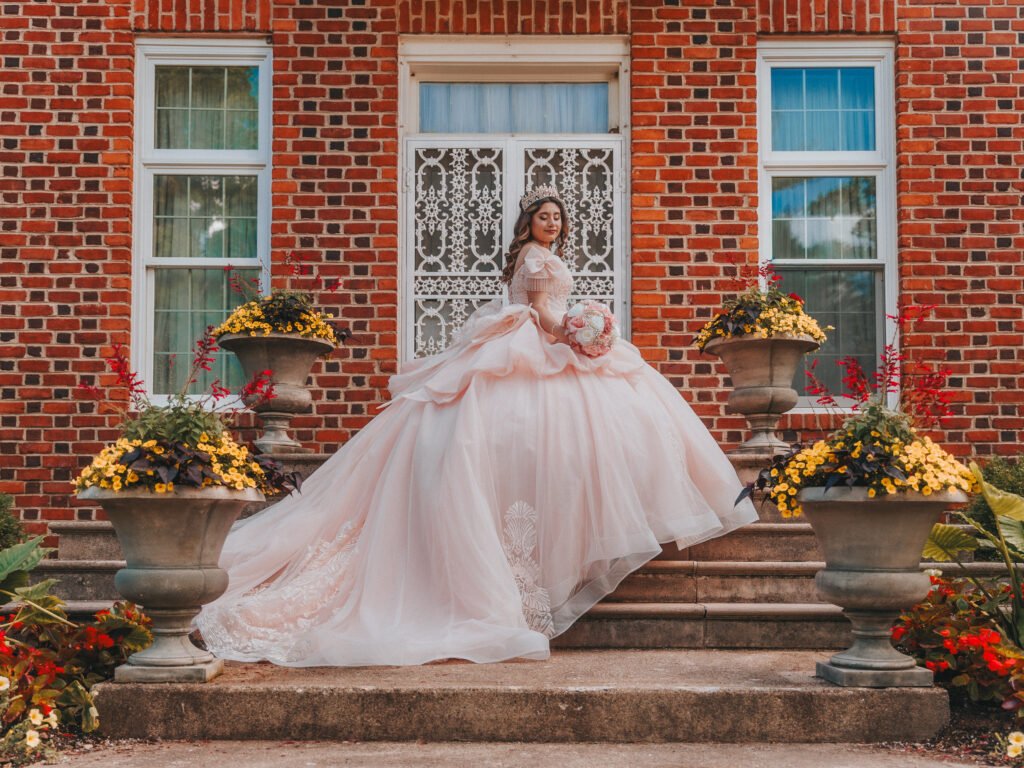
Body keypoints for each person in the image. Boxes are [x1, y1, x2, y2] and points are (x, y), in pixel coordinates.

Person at [195, 185, 758, 667]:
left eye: (559, 216)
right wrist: (578, 336)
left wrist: (590, 331)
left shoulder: (541, 256)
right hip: (540, 338)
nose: (553, 223)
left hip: (548, 337)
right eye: (544, 216)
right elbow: (541, 315)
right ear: (528, 224)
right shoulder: (536, 260)